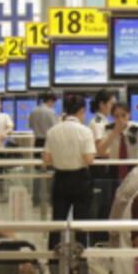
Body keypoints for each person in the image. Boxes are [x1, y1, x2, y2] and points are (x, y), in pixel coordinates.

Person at [43, 94, 95, 250]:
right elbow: (89, 159)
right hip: (81, 179)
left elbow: (47, 158)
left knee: (58, 222)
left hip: (60, 178)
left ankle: (53, 257)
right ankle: (81, 258)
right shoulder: (85, 131)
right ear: (82, 110)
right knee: (81, 223)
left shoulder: (53, 131)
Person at [98, 102, 138, 178]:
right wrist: (114, 133)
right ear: (112, 116)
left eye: (123, 115)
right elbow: (101, 151)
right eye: (116, 116)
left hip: (133, 165)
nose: (120, 119)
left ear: (129, 115)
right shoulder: (108, 129)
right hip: (114, 166)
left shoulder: (137, 127)